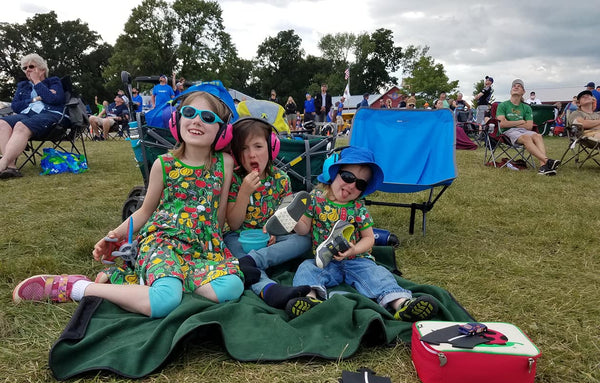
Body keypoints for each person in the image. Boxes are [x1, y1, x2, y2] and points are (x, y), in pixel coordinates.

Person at [13, 90, 244, 316]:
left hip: (204, 248)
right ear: (178, 120)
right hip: (164, 242)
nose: (196, 121)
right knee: (165, 301)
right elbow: (144, 211)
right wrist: (112, 236)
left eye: (207, 117)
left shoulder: (224, 163)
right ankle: (78, 288)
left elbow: (219, 216)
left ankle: (134, 279)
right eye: (190, 112)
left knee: (232, 287)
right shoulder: (164, 164)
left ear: (221, 131)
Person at [284, 145, 439, 319]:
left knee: (379, 275)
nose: (351, 186)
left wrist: (354, 250)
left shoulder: (358, 208)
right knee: (306, 269)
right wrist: (293, 219)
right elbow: (304, 229)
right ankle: (309, 300)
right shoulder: (315, 199)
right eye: (348, 177)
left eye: (360, 184)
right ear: (334, 173)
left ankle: (402, 304)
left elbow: (369, 238)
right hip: (324, 260)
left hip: (356, 259)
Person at [224, 117, 313, 310]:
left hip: (272, 238)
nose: (251, 154)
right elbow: (233, 224)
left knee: (304, 241)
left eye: (258, 146)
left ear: (271, 148)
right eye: (244, 148)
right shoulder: (235, 180)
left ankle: (254, 260)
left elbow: (285, 215)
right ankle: (269, 289)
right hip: (240, 236)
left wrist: (276, 229)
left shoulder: (281, 179)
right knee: (231, 248)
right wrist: (244, 193)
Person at [0, 53, 65, 179]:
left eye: (31, 66)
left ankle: (3, 162)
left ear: (42, 70)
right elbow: (16, 106)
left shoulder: (53, 82)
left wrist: (37, 82)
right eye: (25, 68)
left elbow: (54, 99)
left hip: (50, 114)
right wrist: (35, 99)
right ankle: (11, 167)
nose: (27, 70)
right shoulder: (23, 86)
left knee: (21, 126)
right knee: (2, 123)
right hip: (27, 114)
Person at [496, 79, 560, 176]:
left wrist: (511, 122)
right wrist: (520, 121)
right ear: (510, 91)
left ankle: (543, 166)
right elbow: (502, 124)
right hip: (508, 132)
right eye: (514, 86)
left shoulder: (526, 108)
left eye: (519, 86)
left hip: (524, 131)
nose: (516, 87)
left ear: (523, 92)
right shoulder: (503, 105)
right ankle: (547, 161)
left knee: (538, 136)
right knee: (527, 137)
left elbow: (529, 126)